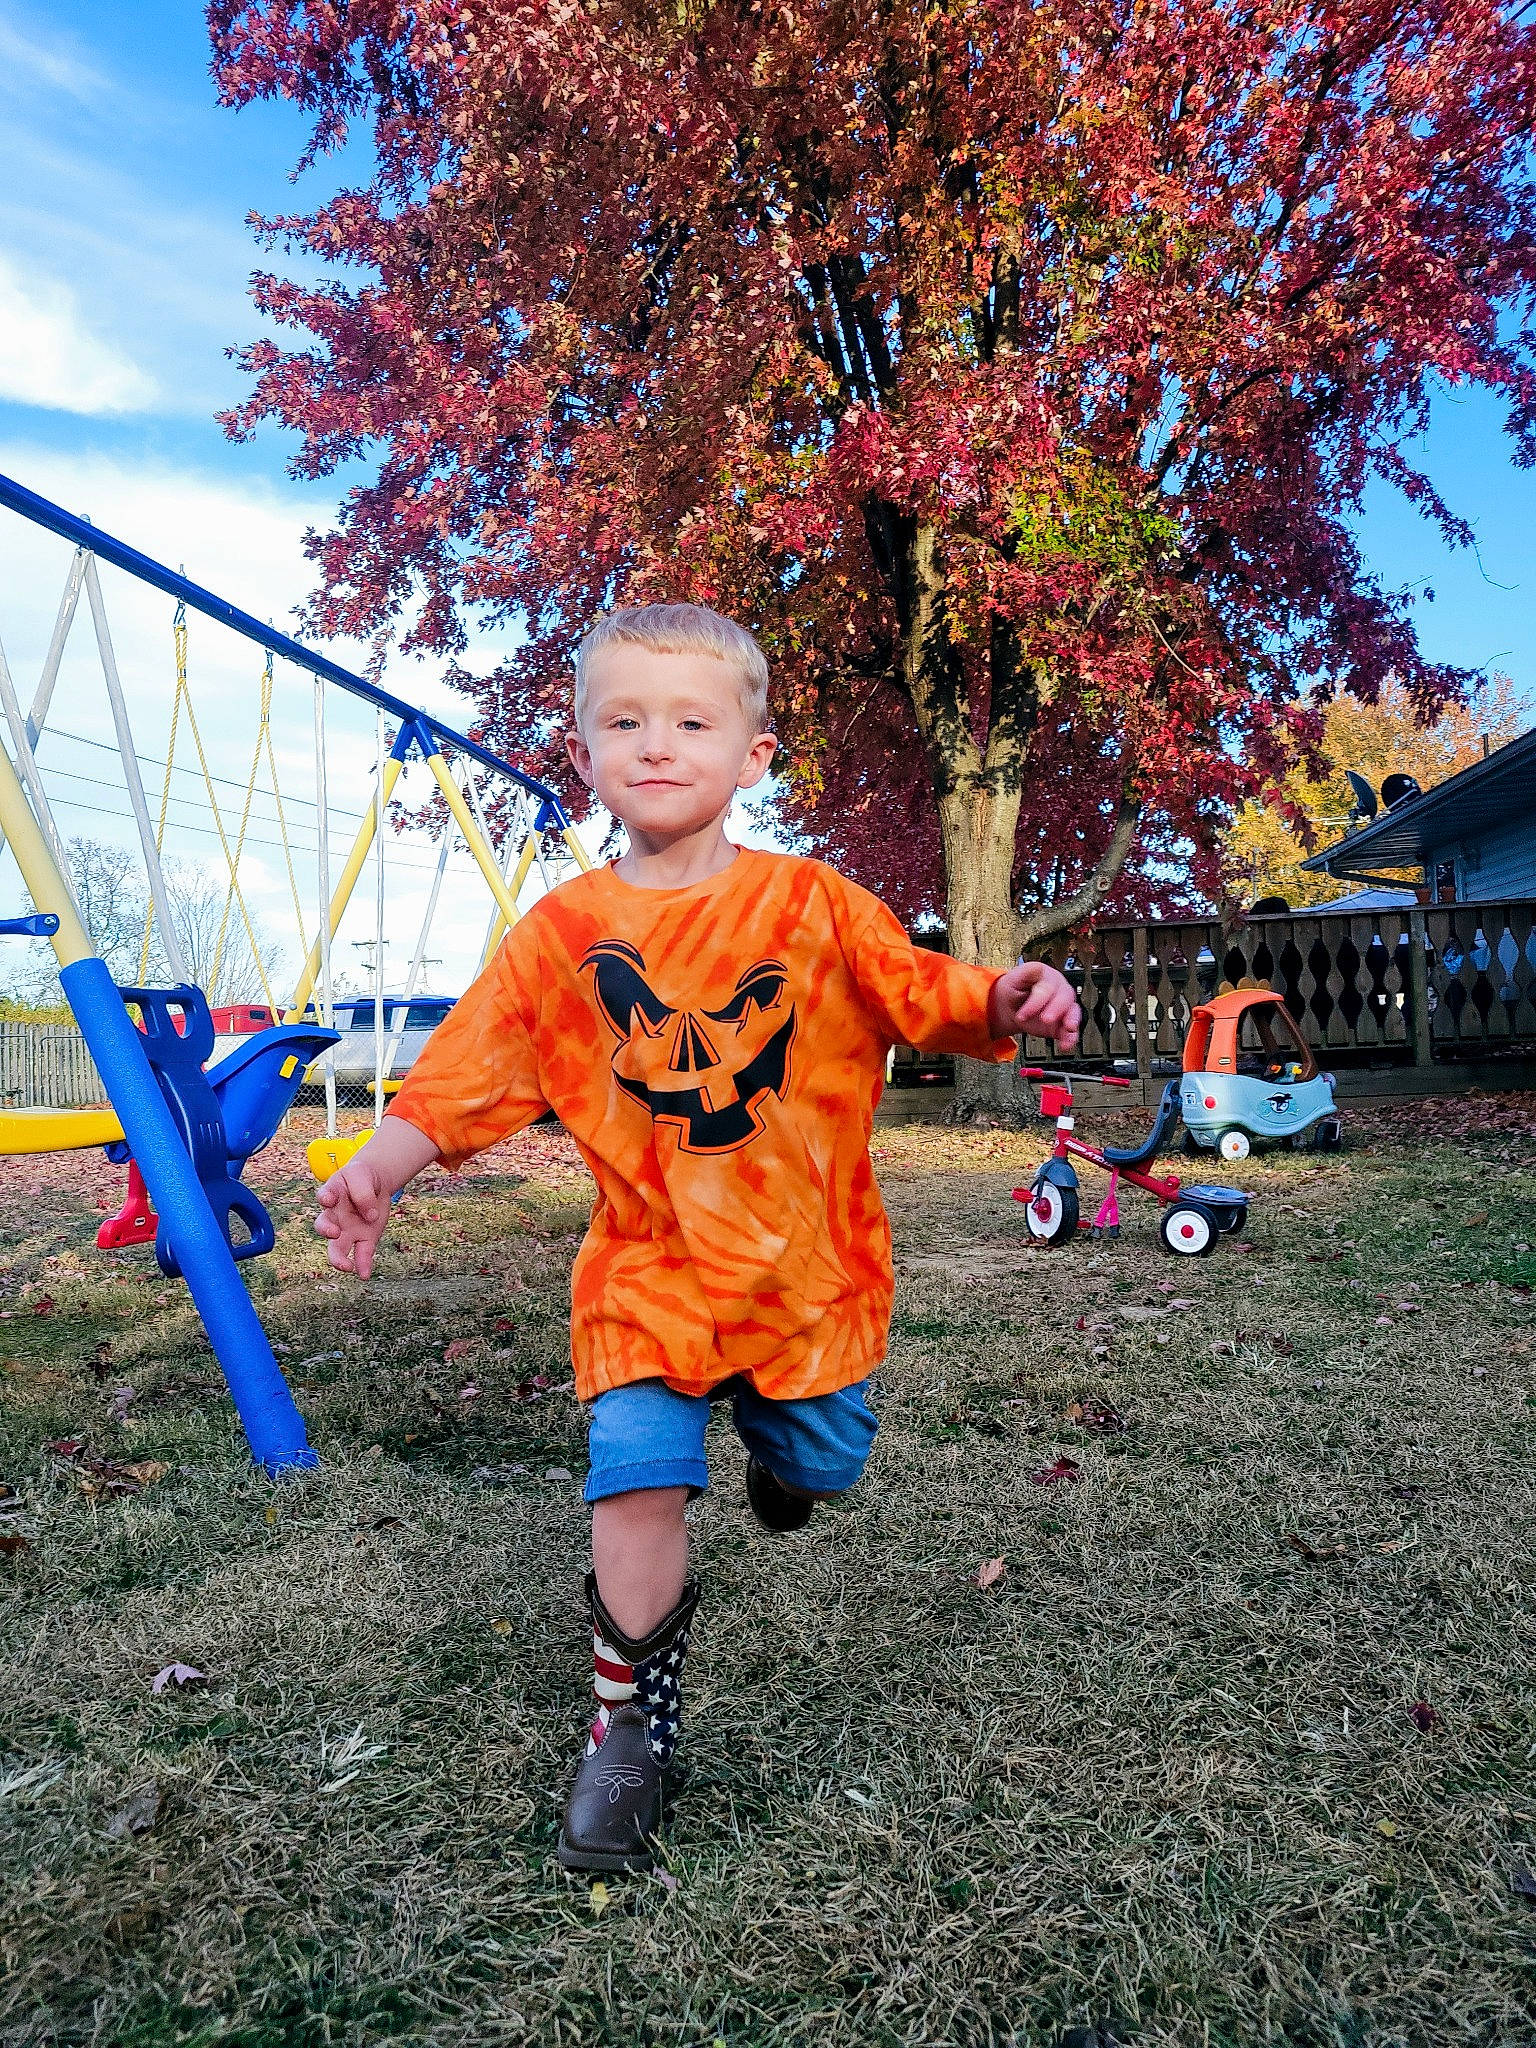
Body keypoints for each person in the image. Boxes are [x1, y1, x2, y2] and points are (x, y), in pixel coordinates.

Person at [315, 603, 1081, 1873]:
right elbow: (470, 1069)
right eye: (625, 721)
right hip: (647, 1273)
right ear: (582, 753)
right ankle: (627, 1728)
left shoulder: (810, 903)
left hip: (804, 1276)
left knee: (823, 1462)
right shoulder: (563, 939)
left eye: (690, 721)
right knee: (634, 1467)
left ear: (755, 753)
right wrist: (381, 1165)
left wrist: (1003, 995)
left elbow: (920, 986)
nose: (657, 745)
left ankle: (788, 1470)